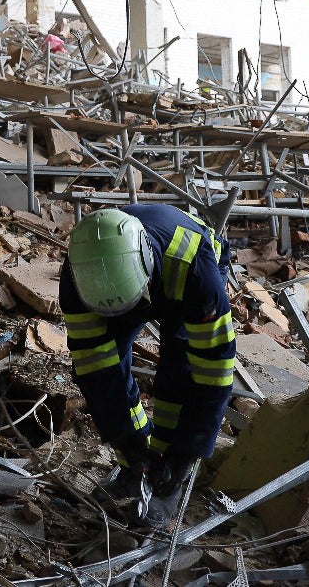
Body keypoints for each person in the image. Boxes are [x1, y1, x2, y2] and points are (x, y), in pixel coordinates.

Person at [61, 204, 235, 528]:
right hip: (130, 284)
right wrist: (126, 440)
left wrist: (187, 451)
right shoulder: (77, 277)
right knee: (109, 361)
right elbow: (95, 368)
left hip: (189, 266)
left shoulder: (196, 271)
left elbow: (214, 371)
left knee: (181, 364)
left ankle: (167, 480)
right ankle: (135, 469)